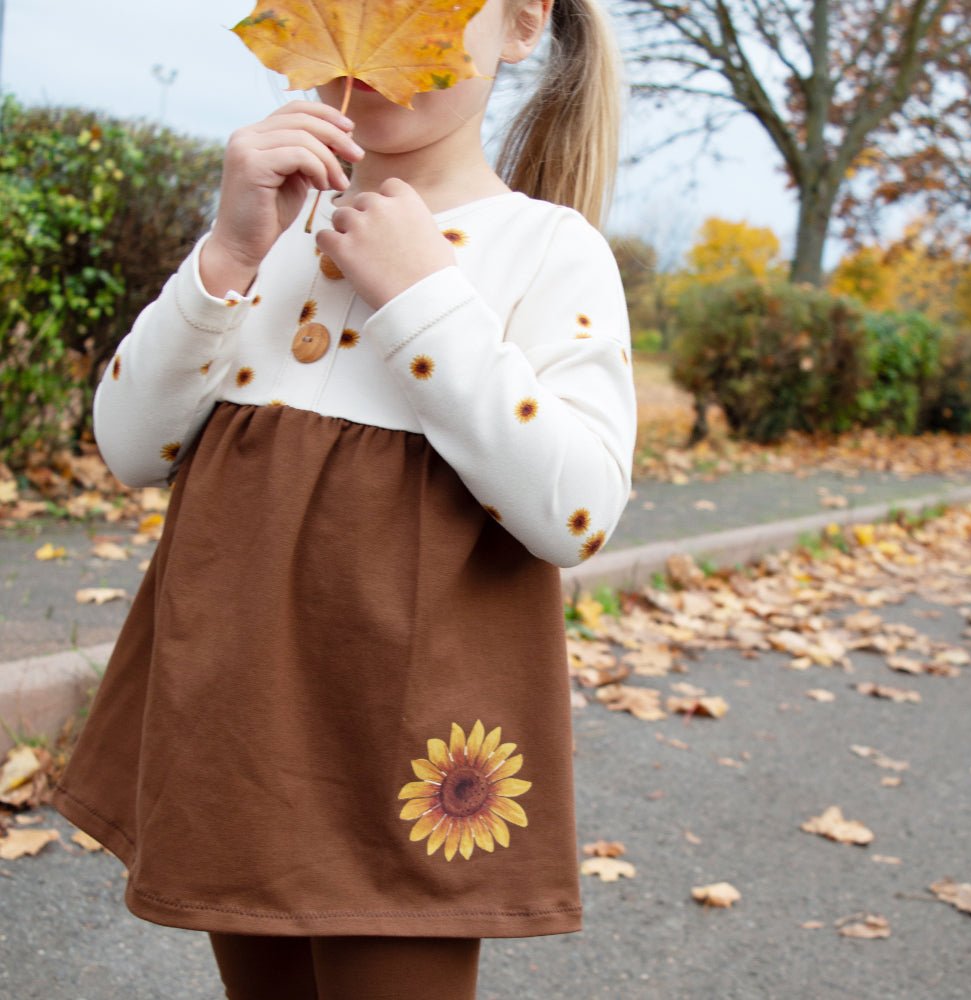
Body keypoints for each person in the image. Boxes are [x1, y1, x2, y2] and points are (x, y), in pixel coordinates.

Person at [50, 0, 636, 996]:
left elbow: (573, 511)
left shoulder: (544, 249)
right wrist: (227, 258)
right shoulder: (270, 228)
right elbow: (129, 446)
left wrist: (424, 296)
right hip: (236, 713)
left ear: (523, 25)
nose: (375, 35)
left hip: (405, 736)